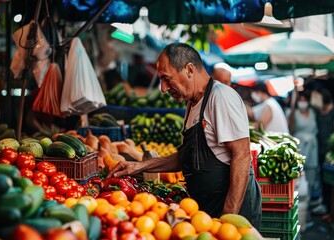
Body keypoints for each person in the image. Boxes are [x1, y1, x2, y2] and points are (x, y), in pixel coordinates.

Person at [108, 43, 262, 228]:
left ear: (189, 69)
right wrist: (139, 166)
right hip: (207, 212)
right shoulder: (193, 104)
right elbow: (187, 158)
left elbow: (242, 155)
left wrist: (228, 217)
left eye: (166, 79)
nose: (163, 88)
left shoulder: (221, 97)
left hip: (232, 213)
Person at [287, 90, 322, 213]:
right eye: (300, 100)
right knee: (298, 179)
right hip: (300, 147)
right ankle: (297, 208)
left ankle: (308, 209)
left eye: (304, 100)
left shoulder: (313, 112)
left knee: (312, 176)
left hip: (312, 148)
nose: (302, 103)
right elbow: (290, 129)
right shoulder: (293, 113)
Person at [317, 89, 334, 218]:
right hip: (321, 151)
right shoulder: (319, 111)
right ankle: (327, 209)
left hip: (330, 153)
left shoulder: (332, 112)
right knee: (325, 180)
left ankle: (330, 211)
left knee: (330, 183)